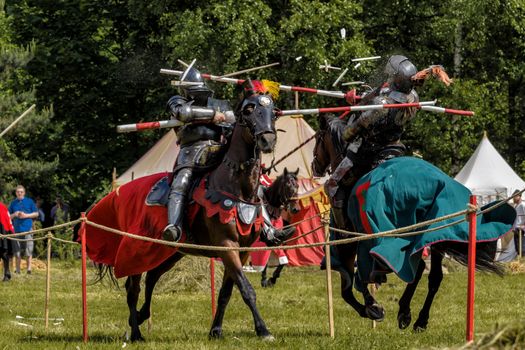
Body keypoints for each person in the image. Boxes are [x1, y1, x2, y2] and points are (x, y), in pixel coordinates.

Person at [326, 55, 452, 228]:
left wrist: (357, 112)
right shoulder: (413, 97)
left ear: (397, 80)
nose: (389, 79)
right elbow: (382, 90)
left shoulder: (382, 104)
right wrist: (361, 99)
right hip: (396, 148)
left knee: (332, 185)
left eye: (392, 77)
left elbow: (349, 133)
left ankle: (344, 231)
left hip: (369, 152)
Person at [8, 185, 38, 274]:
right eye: (18, 192)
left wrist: (26, 215)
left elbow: (36, 214)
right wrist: (15, 214)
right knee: (17, 252)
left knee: (29, 250)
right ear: (16, 193)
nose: (19, 193)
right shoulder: (13, 203)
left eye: (21, 192)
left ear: (24, 193)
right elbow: (8, 217)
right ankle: (18, 270)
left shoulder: (30, 201)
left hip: (28, 228)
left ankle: (29, 269)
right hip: (16, 230)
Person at [0, 202, 15, 281]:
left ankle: (7, 273)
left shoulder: (2, 207)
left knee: (4, 253)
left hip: (3, 231)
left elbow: (6, 220)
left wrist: (6, 232)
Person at [512, 190, 525, 256]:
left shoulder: (523, 205)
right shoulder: (516, 206)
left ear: (519, 196)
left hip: (521, 231)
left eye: (514, 196)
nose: (513, 198)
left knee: (522, 249)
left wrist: (523, 226)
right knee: (517, 248)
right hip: (516, 230)